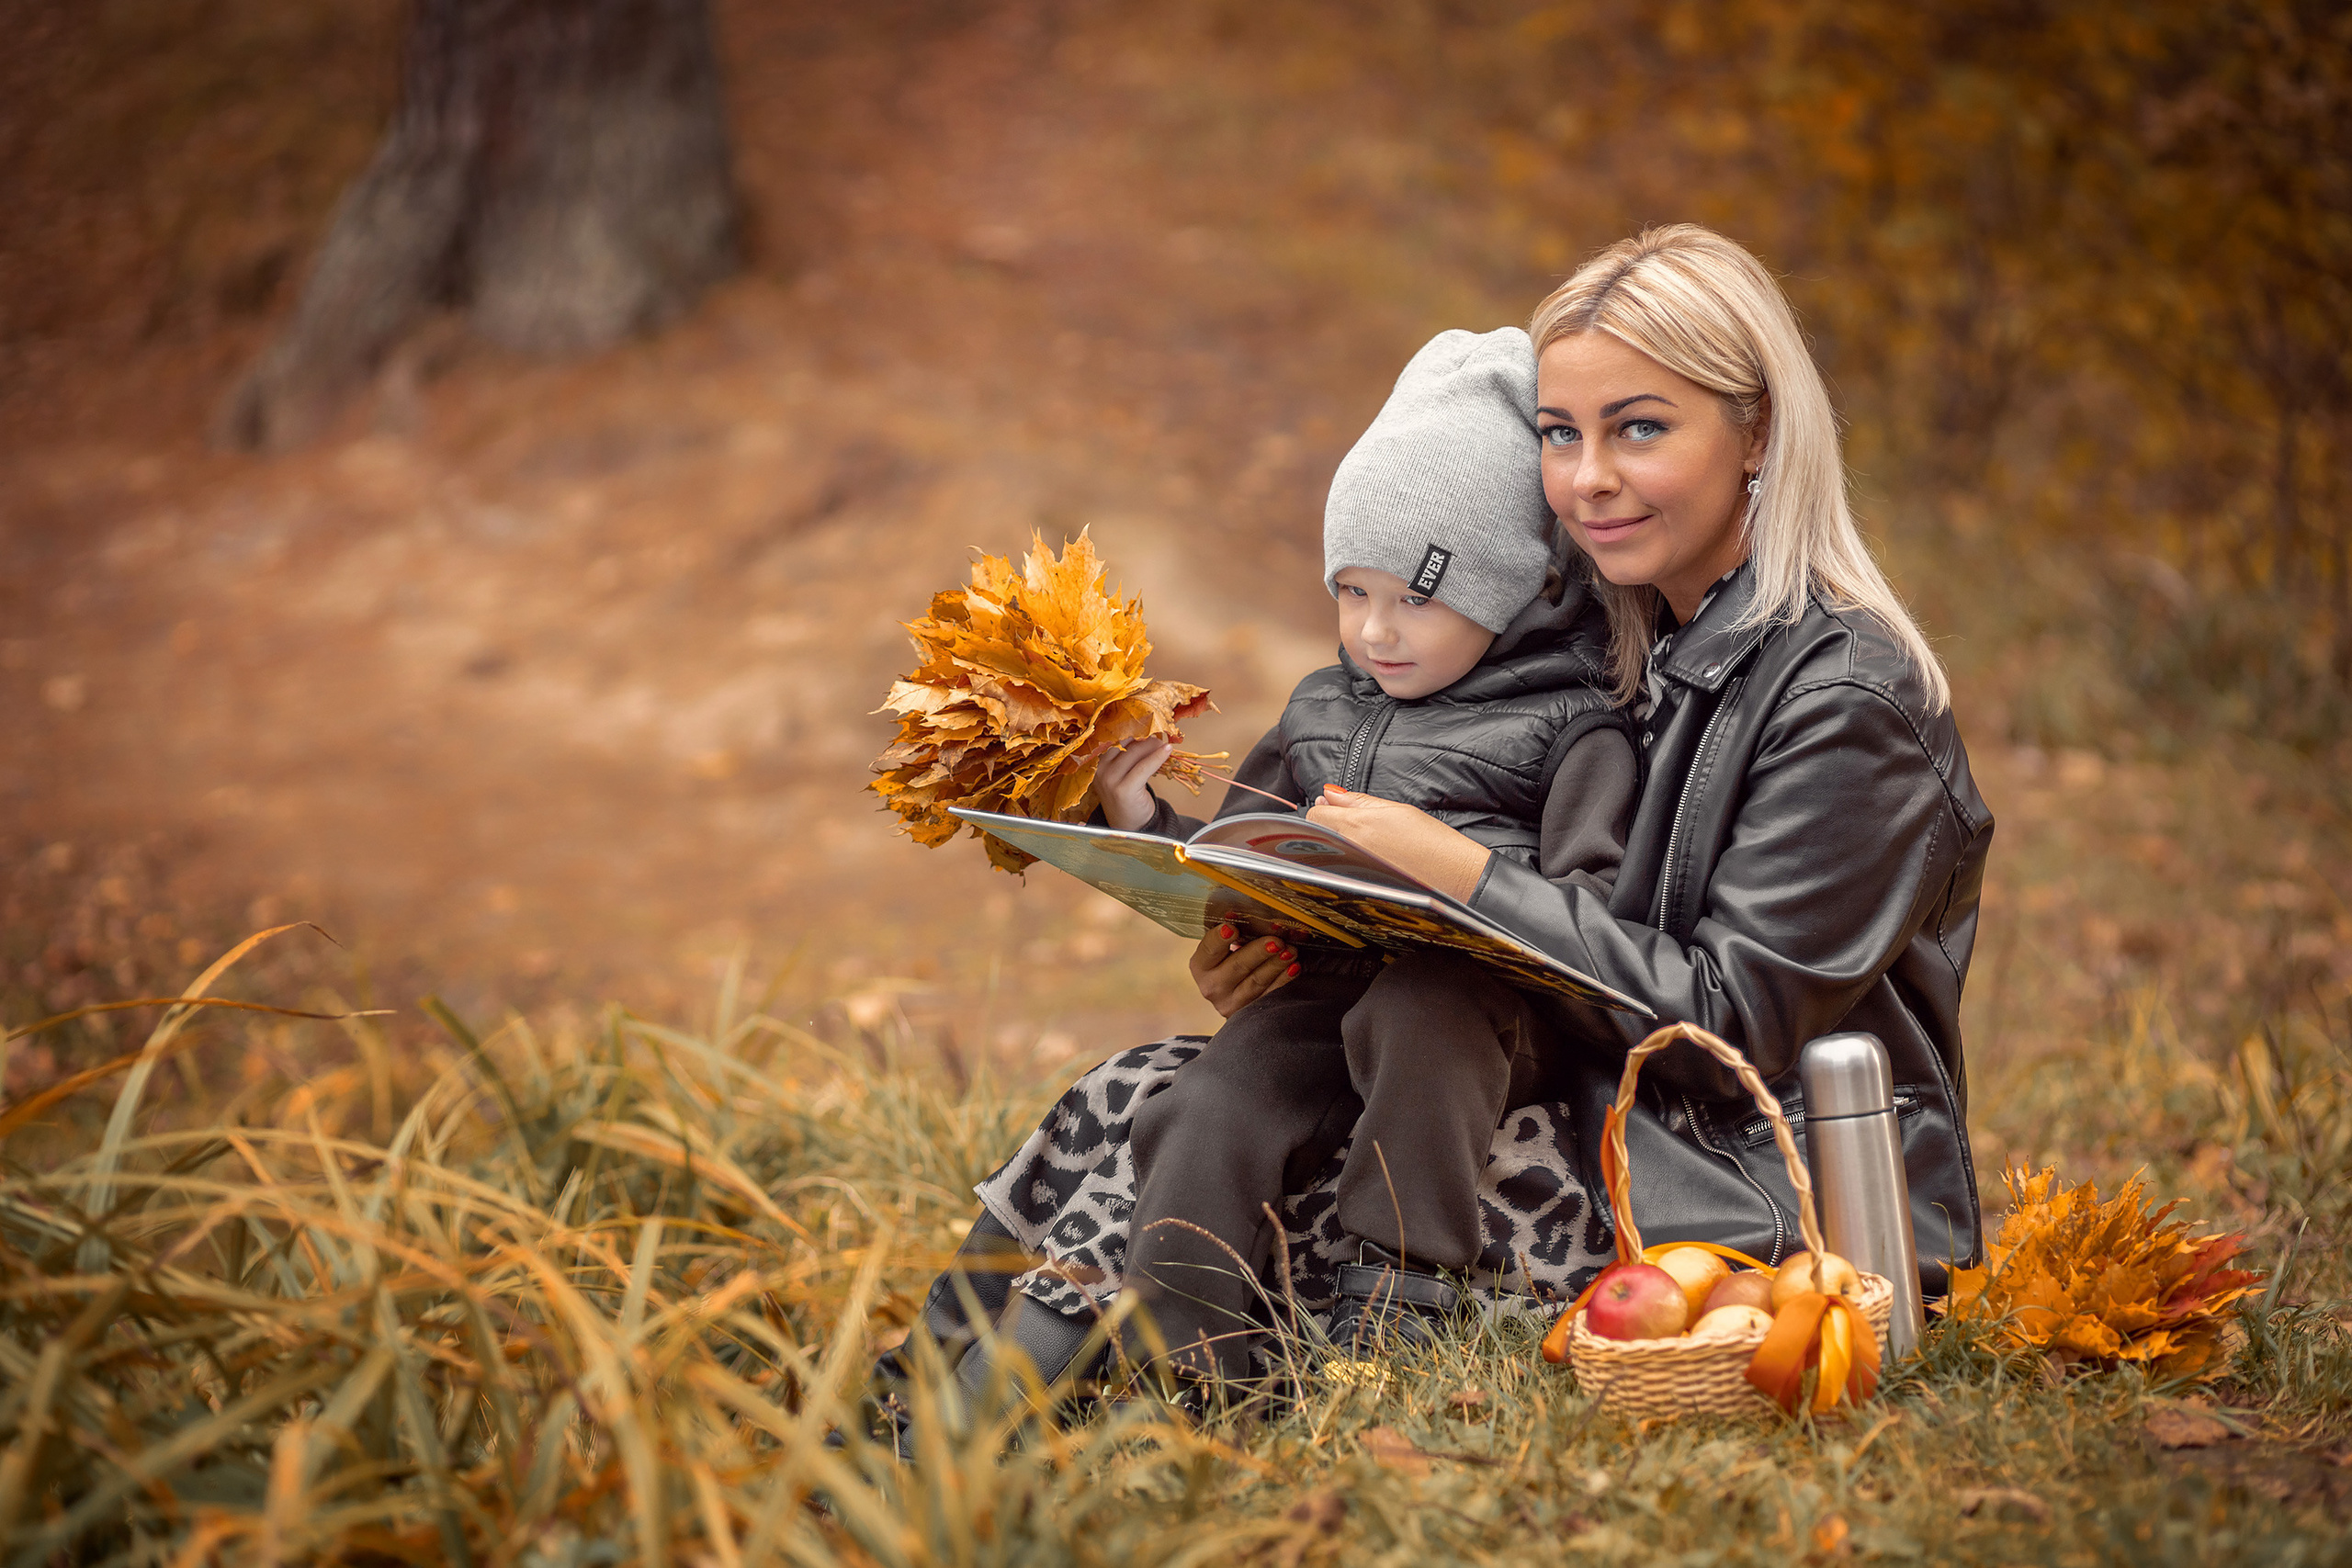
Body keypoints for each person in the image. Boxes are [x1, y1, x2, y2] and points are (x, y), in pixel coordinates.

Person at [1086, 325, 1638, 1381]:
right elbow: (1245, 850)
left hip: (1479, 1016)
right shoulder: (1322, 706)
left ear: (1509, 586)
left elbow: (1591, 914)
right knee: (1211, 1097)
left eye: (1416, 598)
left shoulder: (1573, 723)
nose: (1376, 633)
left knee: (1416, 1009)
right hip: (1321, 991)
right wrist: (1144, 825)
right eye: (1352, 592)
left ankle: (1397, 1298)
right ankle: (1180, 1352)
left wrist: (1456, 884)